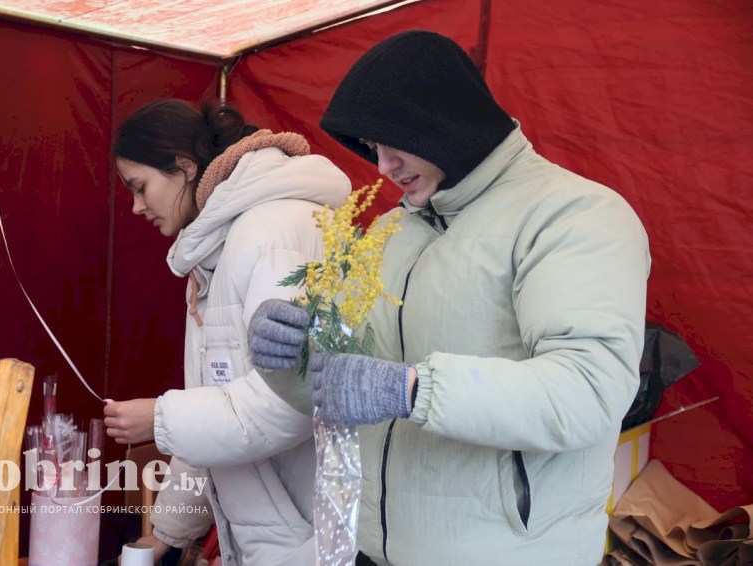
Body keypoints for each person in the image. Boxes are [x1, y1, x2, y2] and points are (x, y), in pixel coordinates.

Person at [248, 30, 651, 565]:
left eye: (395, 140)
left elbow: (587, 392)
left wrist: (414, 388)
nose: (384, 166)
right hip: (371, 547)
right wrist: (288, 357)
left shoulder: (572, 216)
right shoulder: (389, 233)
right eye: (372, 148)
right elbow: (339, 388)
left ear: (443, 121)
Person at [103, 98, 351, 565]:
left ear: (183, 167)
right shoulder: (217, 251)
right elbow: (216, 408)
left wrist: (160, 418)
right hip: (273, 542)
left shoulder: (275, 229)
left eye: (140, 187)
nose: (136, 207)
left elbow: (290, 400)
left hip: (310, 539)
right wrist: (168, 534)